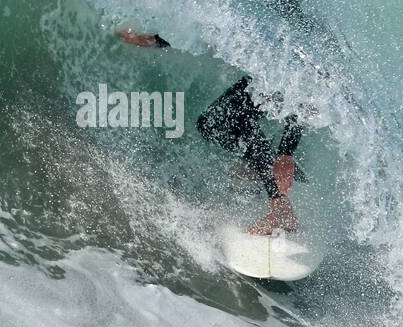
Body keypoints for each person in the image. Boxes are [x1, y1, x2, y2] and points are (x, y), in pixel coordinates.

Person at [116, 27, 305, 236]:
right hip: (271, 78)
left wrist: (286, 153)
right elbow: (220, 33)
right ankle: (262, 164)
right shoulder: (271, 28)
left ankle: (280, 207)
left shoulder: (294, 46)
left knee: (236, 118)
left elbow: (307, 96)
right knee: (210, 124)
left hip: (286, 83)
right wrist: (157, 41)